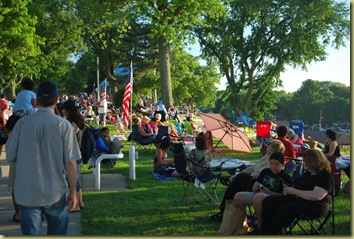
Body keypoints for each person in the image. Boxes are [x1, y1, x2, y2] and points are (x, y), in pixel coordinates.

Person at [6, 81, 80, 235]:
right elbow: (71, 162)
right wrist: (73, 191)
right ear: (57, 100)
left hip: (27, 192)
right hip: (55, 191)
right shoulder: (63, 126)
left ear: (37, 100)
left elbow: (10, 156)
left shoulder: (22, 124)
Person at [262, 149, 334, 235]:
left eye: (305, 161)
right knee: (269, 201)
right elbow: (297, 185)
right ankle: (265, 231)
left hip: (315, 205)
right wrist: (288, 190)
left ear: (313, 162)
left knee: (283, 209)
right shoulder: (307, 173)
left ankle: (272, 234)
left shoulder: (325, 176)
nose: (304, 163)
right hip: (300, 199)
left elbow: (317, 196)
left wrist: (295, 191)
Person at [210, 139, 285, 221]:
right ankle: (224, 211)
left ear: (277, 152)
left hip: (259, 185)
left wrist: (238, 176)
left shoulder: (275, 163)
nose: (268, 152)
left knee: (240, 179)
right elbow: (252, 168)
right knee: (234, 186)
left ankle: (223, 210)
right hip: (251, 180)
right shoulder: (265, 157)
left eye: (271, 150)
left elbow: (269, 176)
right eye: (268, 149)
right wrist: (236, 175)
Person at [234, 152, 293, 234]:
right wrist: (255, 186)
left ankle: (260, 226)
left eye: (276, 164)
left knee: (258, 197)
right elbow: (256, 186)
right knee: (238, 196)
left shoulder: (285, 177)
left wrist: (270, 192)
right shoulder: (265, 171)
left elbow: (284, 196)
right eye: (271, 163)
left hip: (272, 197)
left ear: (282, 165)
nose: (273, 166)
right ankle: (241, 225)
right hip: (260, 194)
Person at [5, 78, 37, 223]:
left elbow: (6, 130)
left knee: (17, 184)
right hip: (34, 154)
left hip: (18, 155)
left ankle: (18, 213)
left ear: (22, 87)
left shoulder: (15, 117)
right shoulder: (36, 116)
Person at [62, 98, 86, 211]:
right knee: (76, 180)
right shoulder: (78, 123)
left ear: (66, 111)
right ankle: (80, 202)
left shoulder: (70, 125)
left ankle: (76, 204)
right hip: (78, 154)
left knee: (73, 180)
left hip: (72, 156)